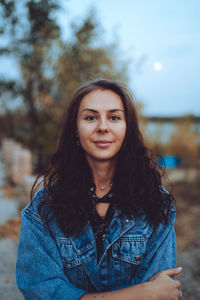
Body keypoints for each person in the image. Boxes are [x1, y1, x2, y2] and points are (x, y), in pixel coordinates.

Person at [16, 79, 182, 300]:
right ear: (75, 129)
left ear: (127, 128)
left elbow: (161, 291)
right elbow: (39, 289)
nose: (103, 127)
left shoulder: (156, 203)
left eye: (114, 117)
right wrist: (140, 293)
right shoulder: (42, 209)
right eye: (90, 117)